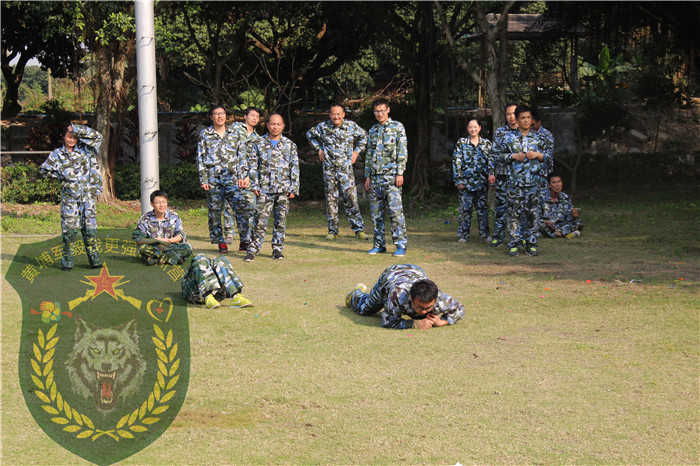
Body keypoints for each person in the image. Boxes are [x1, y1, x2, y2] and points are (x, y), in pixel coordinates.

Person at [40, 124, 104, 271]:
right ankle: (67, 262)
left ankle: (95, 261)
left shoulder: (87, 150)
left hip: (88, 198)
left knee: (90, 231)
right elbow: (44, 170)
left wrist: (75, 128)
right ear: (64, 137)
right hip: (70, 199)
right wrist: (61, 177)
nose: (72, 140)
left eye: (75, 137)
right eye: (69, 136)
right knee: (69, 232)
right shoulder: (57, 154)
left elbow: (97, 136)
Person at [306, 104, 369, 241]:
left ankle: (359, 229)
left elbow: (364, 137)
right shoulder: (323, 127)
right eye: (334, 114)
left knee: (351, 199)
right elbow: (310, 134)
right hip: (329, 170)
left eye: (339, 114)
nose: (336, 116)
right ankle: (332, 231)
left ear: (343, 114)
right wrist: (319, 149)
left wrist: (356, 152)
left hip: (346, 170)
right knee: (331, 201)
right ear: (330, 115)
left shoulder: (351, 126)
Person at [496, 105, 553, 256]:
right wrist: (512, 156)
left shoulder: (539, 138)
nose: (526, 121)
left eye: (528, 118)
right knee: (514, 214)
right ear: (517, 119)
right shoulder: (508, 138)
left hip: (533, 184)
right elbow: (498, 156)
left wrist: (538, 155)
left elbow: (549, 157)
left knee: (533, 214)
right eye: (523, 118)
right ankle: (514, 243)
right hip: (515, 183)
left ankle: (531, 243)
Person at [196, 104, 252, 254]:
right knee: (215, 212)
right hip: (213, 179)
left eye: (222, 113)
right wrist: (203, 179)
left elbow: (242, 155)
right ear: (211, 117)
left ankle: (245, 240)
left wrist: (244, 175)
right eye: (216, 114)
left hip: (233, 178)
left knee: (241, 208)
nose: (220, 116)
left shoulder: (235, 133)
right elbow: (200, 157)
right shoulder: (205, 134)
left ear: (226, 116)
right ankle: (220, 242)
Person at [244, 112, 299, 262]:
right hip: (264, 190)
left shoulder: (289, 145)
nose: (275, 127)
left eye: (278, 124)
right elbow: (253, 166)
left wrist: (293, 188)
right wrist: (254, 184)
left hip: (283, 190)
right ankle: (253, 250)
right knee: (260, 221)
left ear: (283, 126)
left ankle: (277, 249)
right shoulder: (258, 143)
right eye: (272, 124)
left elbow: (294, 167)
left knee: (280, 222)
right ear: (267, 125)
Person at [345, 264, 465, 329]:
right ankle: (357, 293)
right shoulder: (397, 295)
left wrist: (442, 321)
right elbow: (387, 322)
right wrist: (415, 324)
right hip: (390, 276)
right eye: (419, 307)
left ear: (434, 300)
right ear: (411, 298)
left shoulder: (440, 298)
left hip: (416, 270)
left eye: (428, 308)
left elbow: (459, 310)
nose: (423, 312)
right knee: (365, 309)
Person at [364, 98, 408, 257]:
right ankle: (379, 245)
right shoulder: (373, 130)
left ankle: (400, 245)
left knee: (396, 213)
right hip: (375, 178)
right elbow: (369, 154)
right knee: (376, 214)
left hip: (391, 177)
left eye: (382, 110)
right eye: (376, 111)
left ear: (388, 110)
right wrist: (367, 175)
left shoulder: (397, 127)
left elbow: (402, 150)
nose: (379, 114)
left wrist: (400, 172)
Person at [223, 107, 261, 250]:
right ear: (245, 116)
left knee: (249, 208)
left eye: (257, 116)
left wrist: (249, 178)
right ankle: (229, 233)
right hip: (231, 175)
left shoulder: (258, 139)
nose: (254, 118)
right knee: (229, 207)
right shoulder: (233, 130)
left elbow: (256, 161)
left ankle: (246, 238)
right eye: (252, 115)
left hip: (248, 178)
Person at [452, 118, 492, 243]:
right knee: (465, 211)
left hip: (482, 183)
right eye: (470, 127)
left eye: (475, 127)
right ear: (467, 129)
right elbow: (456, 162)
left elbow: (491, 162)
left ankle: (484, 235)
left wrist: (491, 177)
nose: (473, 129)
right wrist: (458, 180)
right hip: (466, 184)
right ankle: (463, 235)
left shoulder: (486, 144)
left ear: (480, 128)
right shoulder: (462, 143)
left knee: (483, 211)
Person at [132, 190, 193, 266]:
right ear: (152, 204)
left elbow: (180, 234)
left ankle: (156, 260)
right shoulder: (145, 219)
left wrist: (168, 241)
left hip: (170, 246)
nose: (161, 205)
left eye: (164, 202)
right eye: (158, 202)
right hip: (154, 247)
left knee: (188, 246)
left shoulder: (174, 216)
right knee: (143, 248)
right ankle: (174, 258)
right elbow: (139, 240)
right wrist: (158, 240)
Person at [488, 102, 519, 248]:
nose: (511, 117)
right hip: (502, 176)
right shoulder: (500, 132)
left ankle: (517, 237)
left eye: (514, 113)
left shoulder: (526, 132)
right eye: (508, 114)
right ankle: (498, 237)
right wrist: (491, 172)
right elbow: (494, 154)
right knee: (501, 207)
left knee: (518, 209)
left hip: (520, 177)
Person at [181, 254, 253, 309]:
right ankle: (207, 296)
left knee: (221, 259)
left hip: (218, 294)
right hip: (195, 292)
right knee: (200, 257)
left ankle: (235, 296)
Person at [539, 174, 584, 238]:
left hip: (558, 225)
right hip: (545, 224)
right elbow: (532, 216)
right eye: (554, 182)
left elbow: (568, 218)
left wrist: (574, 216)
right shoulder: (540, 197)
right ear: (549, 185)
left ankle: (552, 234)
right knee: (536, 225)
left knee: (578, 222)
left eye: (559, 182)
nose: (557, 185)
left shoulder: (565, 197)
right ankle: (561, 234)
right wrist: (544, 221)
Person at [531, 109, 555, 201]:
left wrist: (537, 155)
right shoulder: (528, 135)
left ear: (539, 122)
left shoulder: (547, 135)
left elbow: (549, 156)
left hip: (544, 173)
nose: (531, 127)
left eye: (533, 124)